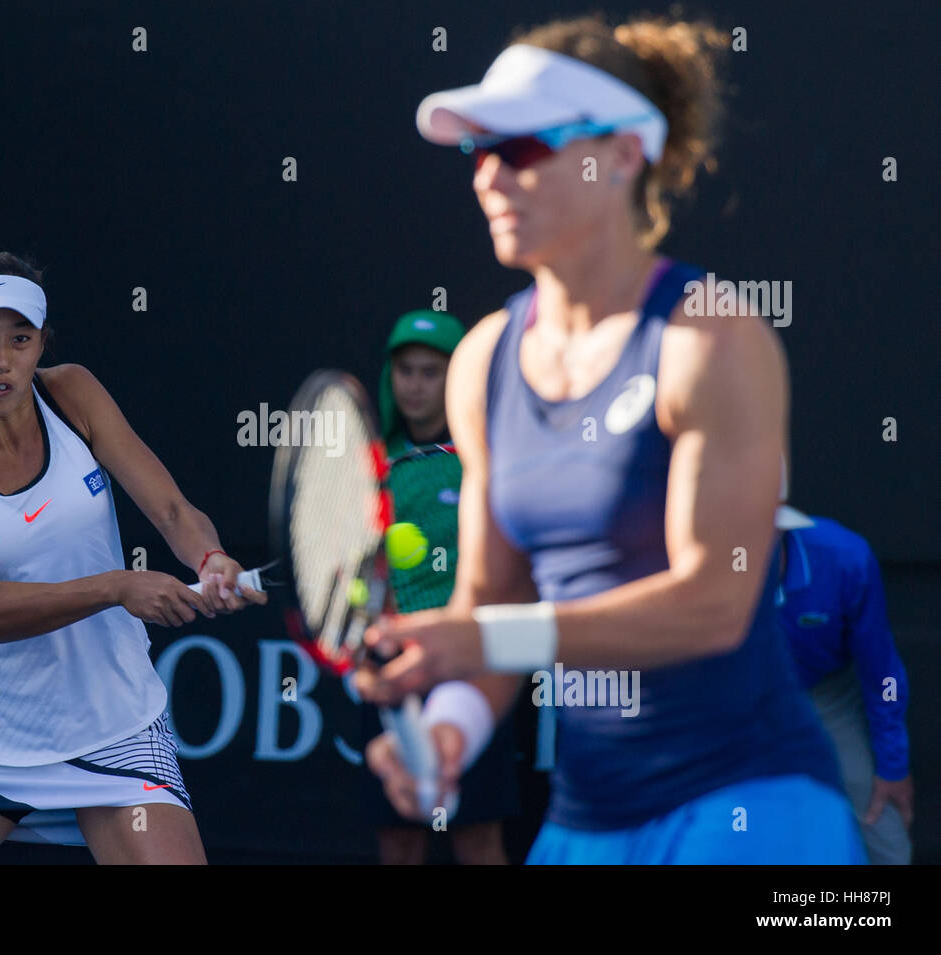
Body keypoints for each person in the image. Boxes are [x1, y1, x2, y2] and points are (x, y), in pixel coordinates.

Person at [354, 14, 866, 863]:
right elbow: (491, 601)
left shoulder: (713, 340)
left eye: (521, 149)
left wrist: (480, 637)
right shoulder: (482, 362)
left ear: (621, 154)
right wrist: (450, 725)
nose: (488, 175)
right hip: (586, 822)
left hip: (750, 808)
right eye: (477, 150)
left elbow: (712, 604)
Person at [0, 250, 265, 865]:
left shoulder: (73, 393)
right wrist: (118, 587)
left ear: (42, 342)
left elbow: (174, 512)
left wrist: (211, 558)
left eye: (20, 338)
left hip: (114, 725)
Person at [361, 310, 523, 865]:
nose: (415, 384)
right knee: (399, 838)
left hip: (467, 660)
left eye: (431, 372)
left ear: (456, 377)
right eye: (405, 370)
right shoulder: (368, 468)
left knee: (476, 836)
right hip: (389, 659)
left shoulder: (485, 459)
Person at [774, 503, 913, 864]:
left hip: (826, 692)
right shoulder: (679, 562)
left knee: (883, 831)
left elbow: (881, 671)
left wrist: (892, 764)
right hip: (729, 702)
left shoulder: (843, 556)